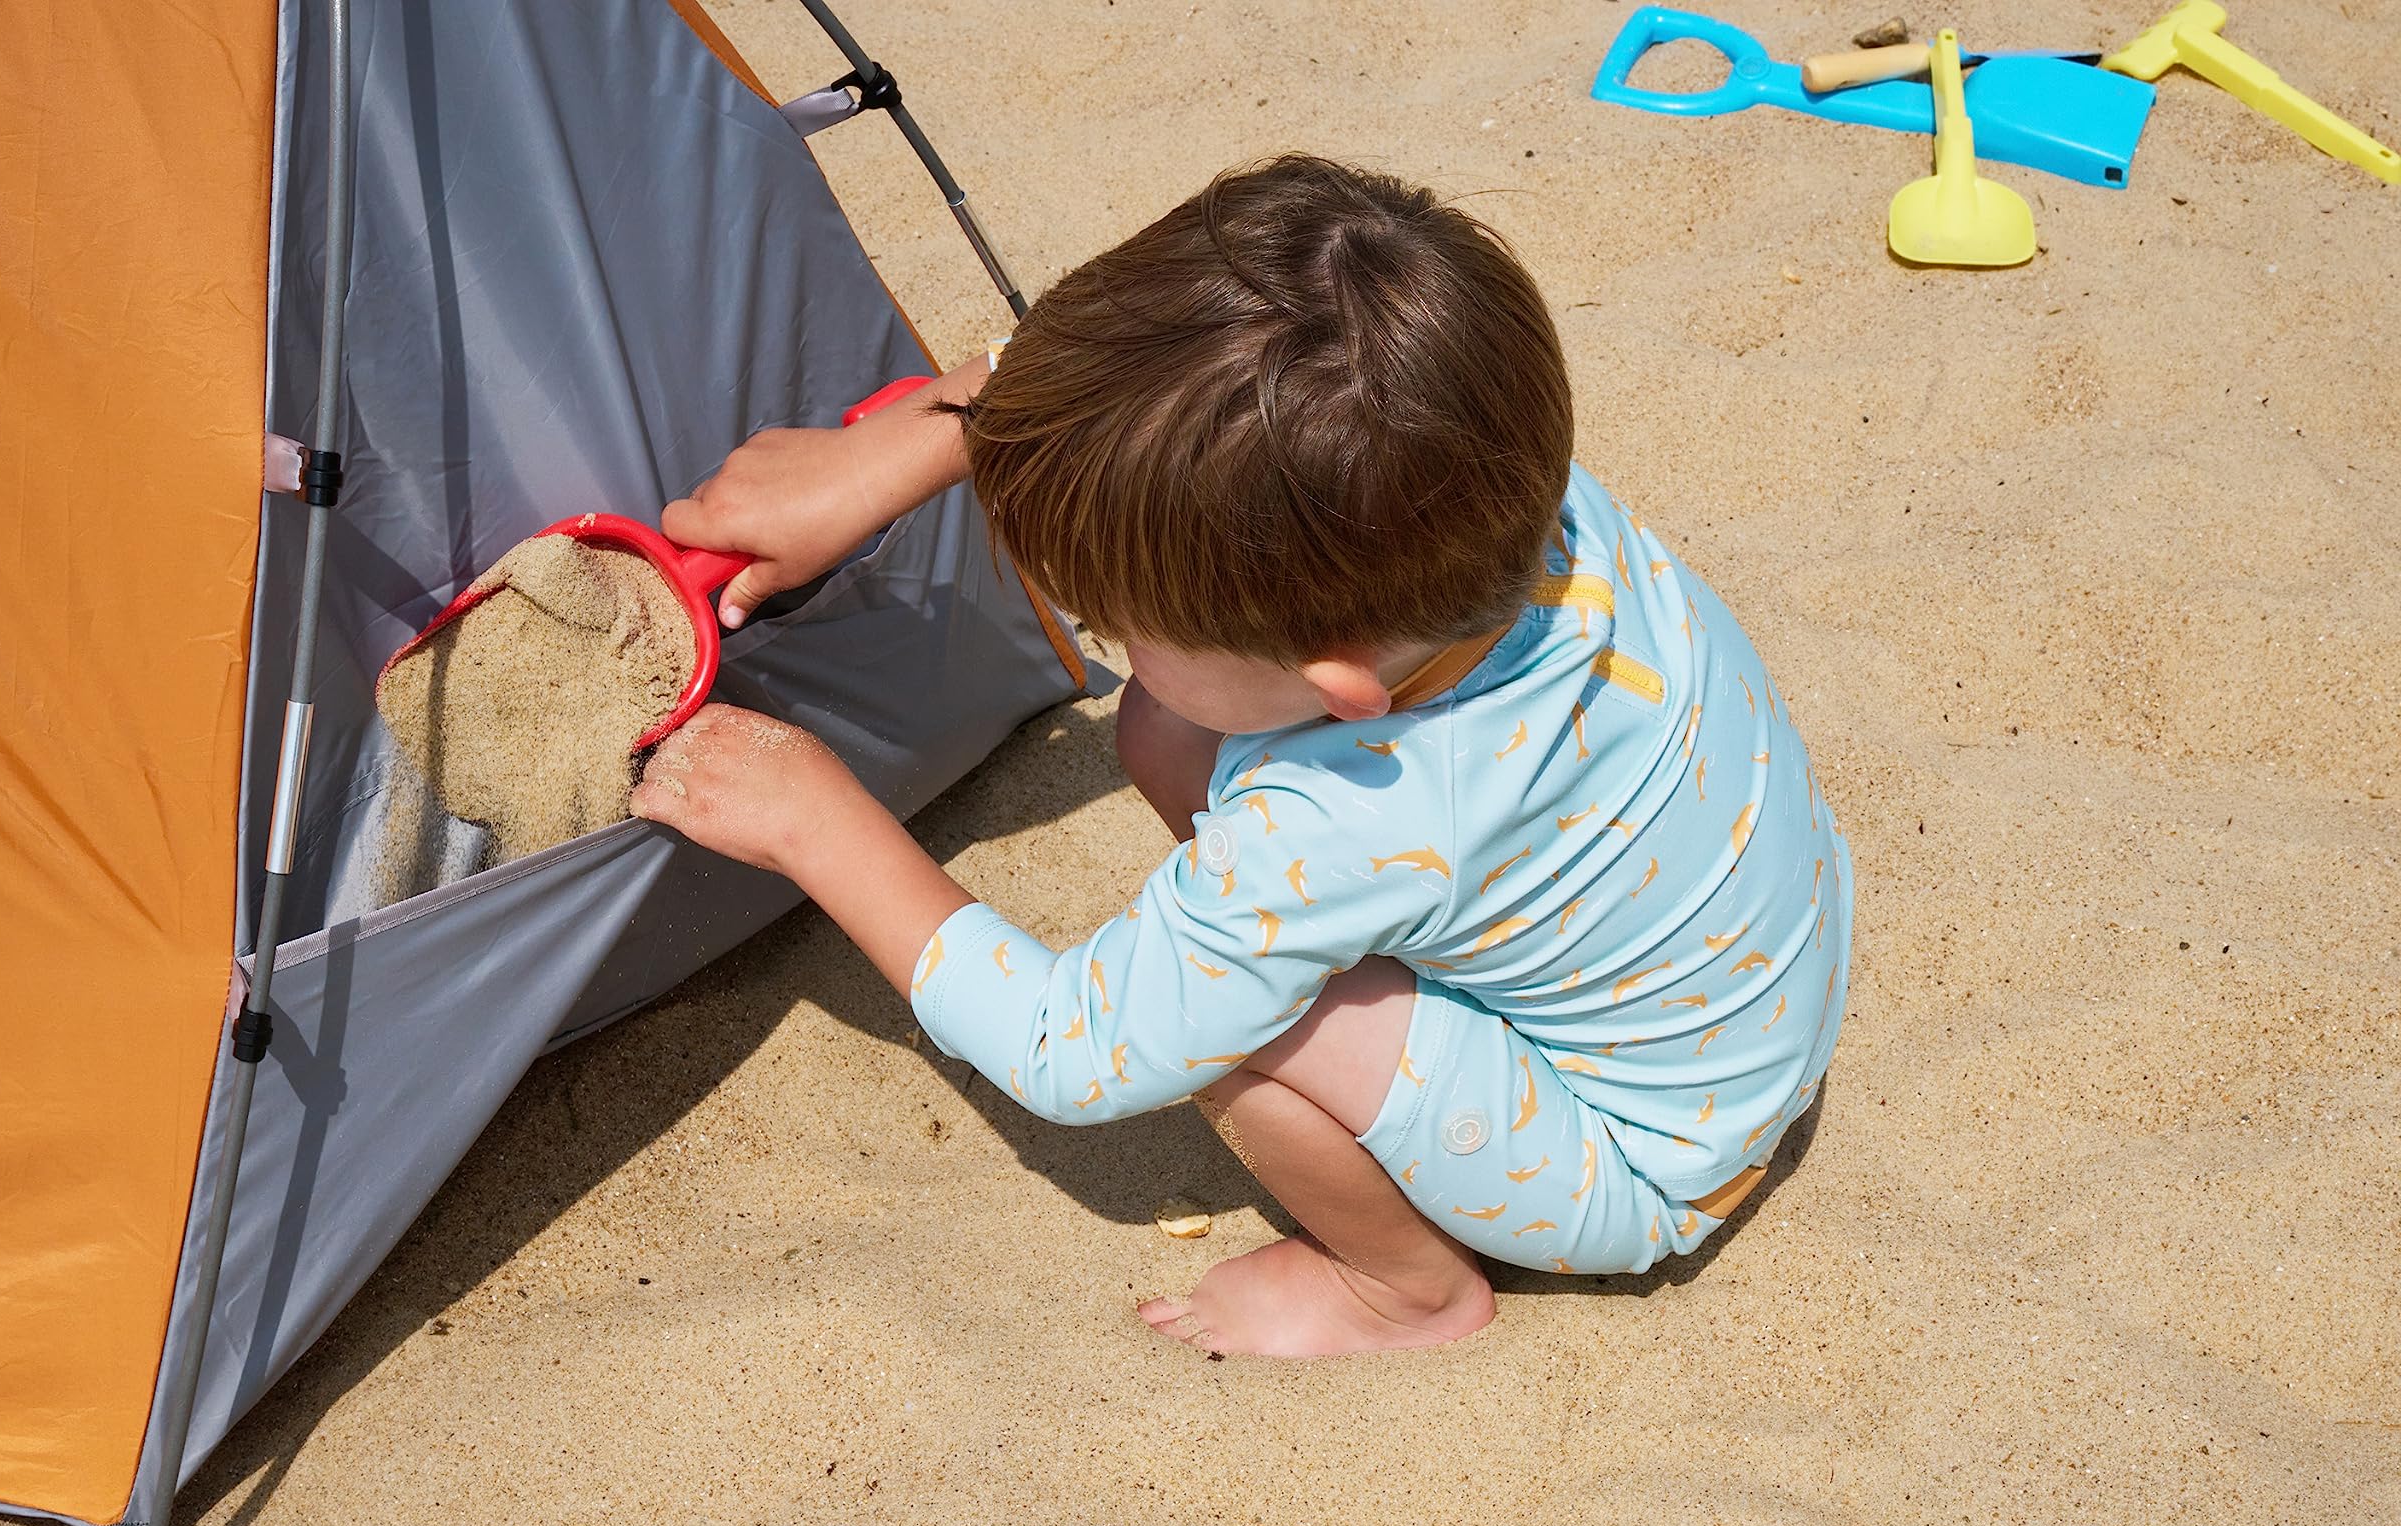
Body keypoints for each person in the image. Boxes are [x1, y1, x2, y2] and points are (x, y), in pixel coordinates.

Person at [632, 155, 1852, 1357]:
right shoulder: (1478, 479)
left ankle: (1404, 1292)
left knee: (1237, 1024)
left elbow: (1077, 1051)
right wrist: (904, 446)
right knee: (1164, 727)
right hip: (1738, 983)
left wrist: (817, 823)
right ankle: (1347, 993)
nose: (1106, 637)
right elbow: (1174, 384)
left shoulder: (1336, 831)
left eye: (1118, 626)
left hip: (1636, 1162)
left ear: (1333, 680)